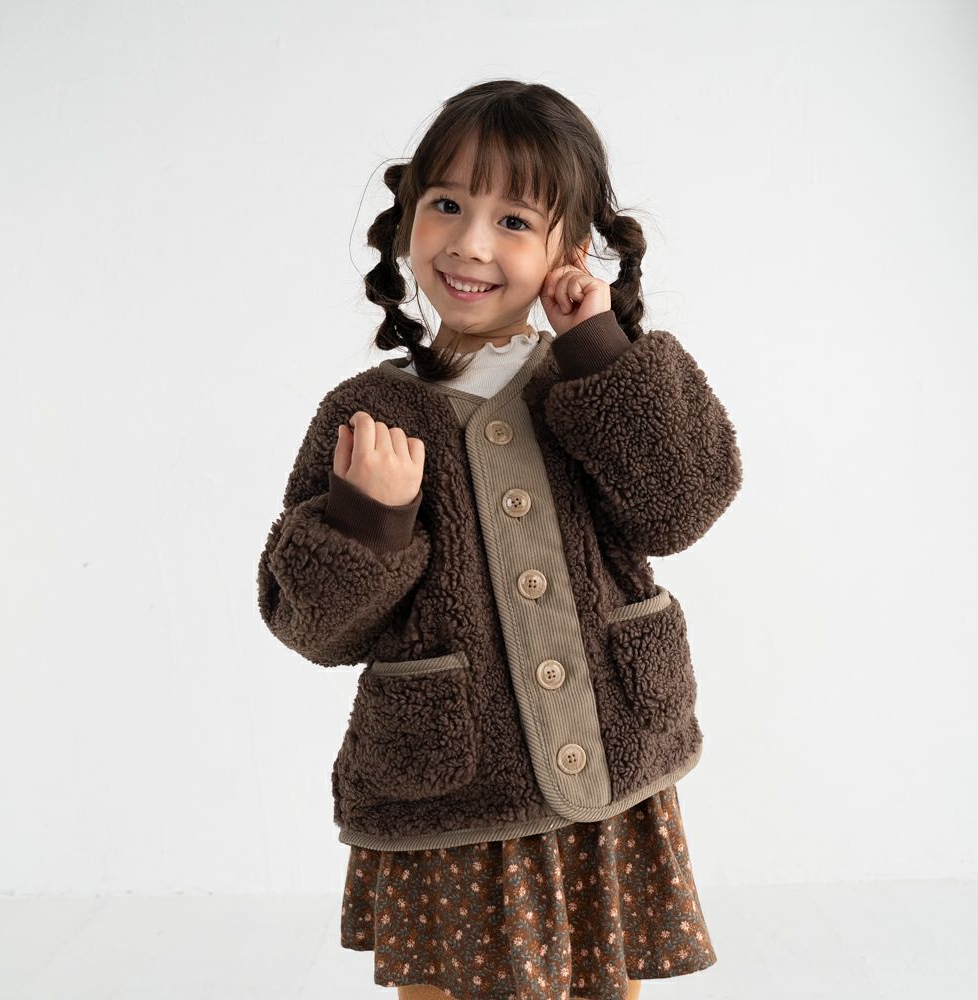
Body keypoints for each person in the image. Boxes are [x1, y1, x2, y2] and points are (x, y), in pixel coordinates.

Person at [257, 79, 743, 1000]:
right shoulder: (368, 415)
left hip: (608, 762)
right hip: (453, 789)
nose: (472, 244)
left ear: (570, 249)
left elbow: (682, 505)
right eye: (447, 205)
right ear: (408, 220)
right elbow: (309, 625)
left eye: (514, 220)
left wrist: (598, 344)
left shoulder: (593, 377)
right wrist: (368, 520)